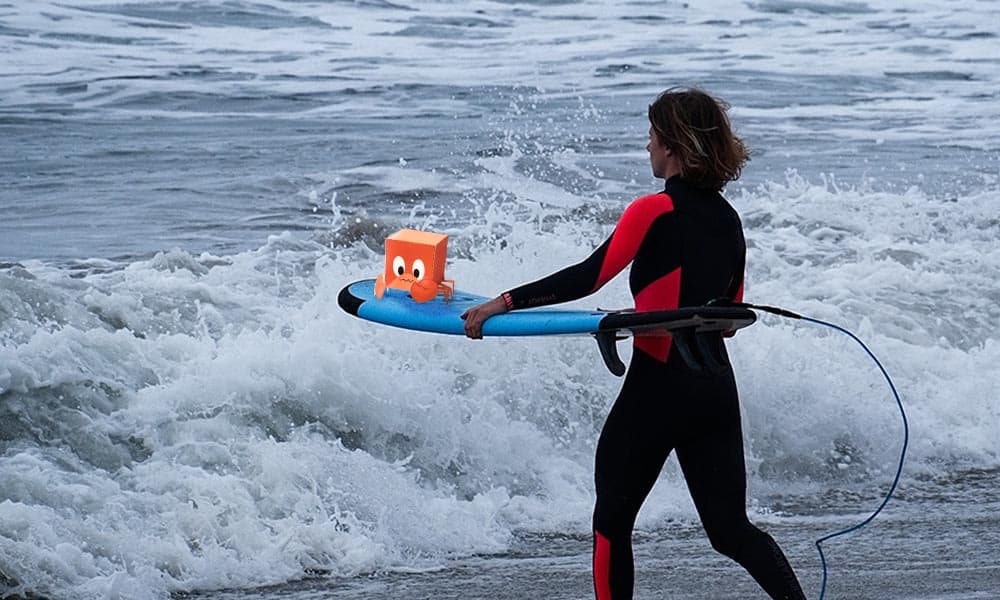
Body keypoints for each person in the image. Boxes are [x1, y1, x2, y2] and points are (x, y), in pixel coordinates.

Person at [461, 87, 807, 600]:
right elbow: (729, 318)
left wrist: (504, 302)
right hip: (714, 390)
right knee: (731, 530)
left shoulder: (653, 210)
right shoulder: (729, 220)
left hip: (658, 389)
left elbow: (590, 276)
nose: (647, 145)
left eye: (652, 135)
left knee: (611, 522)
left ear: (674, 145)